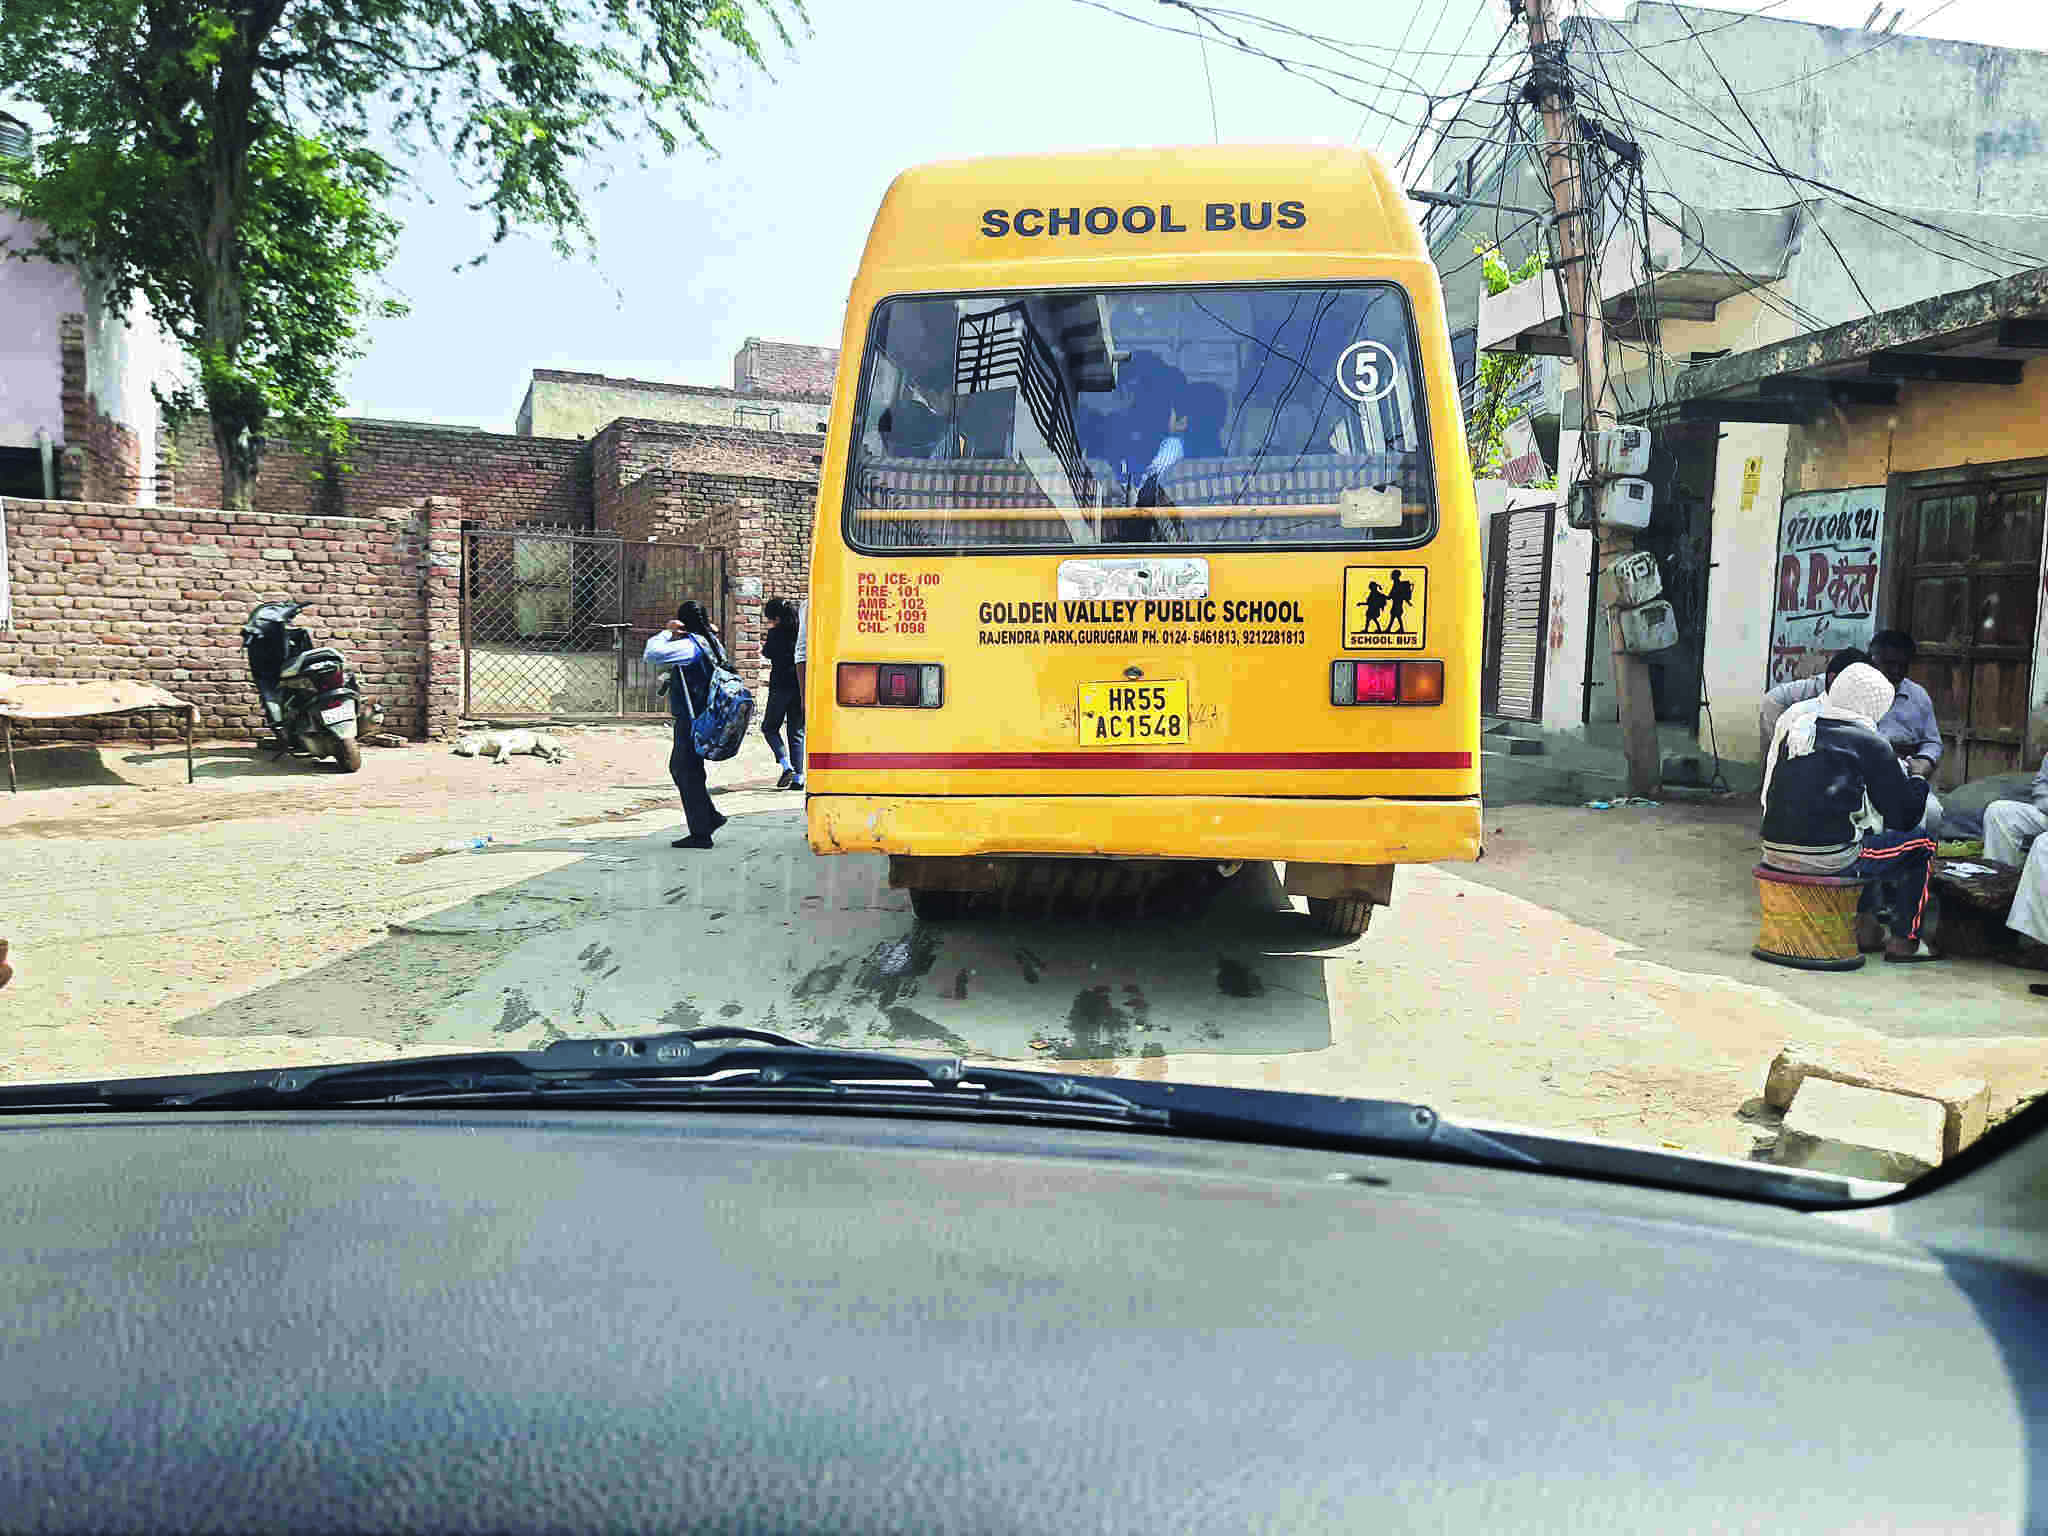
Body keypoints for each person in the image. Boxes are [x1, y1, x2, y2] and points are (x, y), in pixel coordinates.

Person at [1760, 661, 1940, 963]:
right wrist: (1918, 777)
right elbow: (1904, 817)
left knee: (1863, 833)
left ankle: (1867, 926)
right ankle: (1904, 941)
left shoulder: (1800, 726)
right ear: (1878, 705)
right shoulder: (1871, 743)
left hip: (1773, 848)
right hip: (1826, 858)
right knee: (1921, 845)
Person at [1760, 633, 1943, 833]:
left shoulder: (1918, 696)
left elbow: (1932, 742)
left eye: (1903, 665)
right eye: (1889, 664)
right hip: (1849, 783)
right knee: (1898, 830)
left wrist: (1924, 762)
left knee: (1930, 813)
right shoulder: (1840, 693)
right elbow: (1904, 817)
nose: (1896, 671)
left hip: (1779, 839)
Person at [644, 599, 729, 850]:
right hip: (706, 715)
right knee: (690, 769)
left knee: (683, 770)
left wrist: (667, 632)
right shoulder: (712, 643)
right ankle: (708, 818)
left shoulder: (689, 647)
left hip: (691, 719)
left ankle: (702, 831)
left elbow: (652, 653)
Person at [760, 597, 805, 791]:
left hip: (779, 688)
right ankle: (799, 777)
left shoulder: (775, 634)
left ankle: (786, 765)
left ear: (777, 618)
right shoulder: (802, 632)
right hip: (799, 687)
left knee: (770, 728)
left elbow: (767, 653)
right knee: (796, 732)